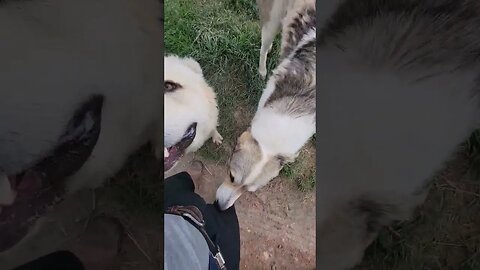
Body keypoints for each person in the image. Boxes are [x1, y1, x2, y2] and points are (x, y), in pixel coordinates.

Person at [164, 161, 240, 270]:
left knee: (174, 186)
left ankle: (190, 179)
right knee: (226, 217)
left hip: (169, 213)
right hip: (213, 256)